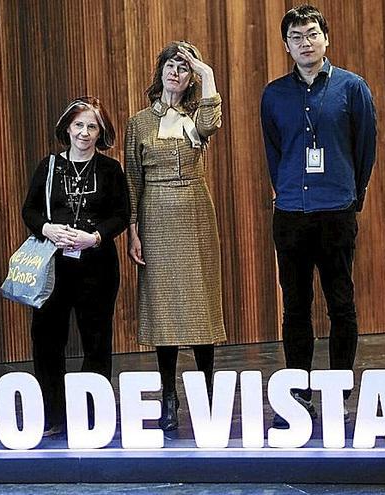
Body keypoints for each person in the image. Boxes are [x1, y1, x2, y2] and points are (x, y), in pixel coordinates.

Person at [260, 5, 377, 426]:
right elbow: (275, 152)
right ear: (287, 45)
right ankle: (298, 393)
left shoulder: (352, 87)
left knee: (341, 304)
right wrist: (288, 189)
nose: (305, 43)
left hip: (336, 212)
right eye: (296, 37)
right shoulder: (274, 94)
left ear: (326, 38)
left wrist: (352, 195)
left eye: (311, 34)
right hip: (291, 212)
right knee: (295, 307)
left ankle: (341, 391)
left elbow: (365, 149)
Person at [125, 41, 226, 431]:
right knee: (164, 310)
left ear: (191, 78)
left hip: (196, 214)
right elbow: (133, 179)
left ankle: (209, 395)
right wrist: (134, 232)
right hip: (157, 216)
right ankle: (169, 395)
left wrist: (208, 74)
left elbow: (211, 123)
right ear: (160, 71)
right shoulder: (140, 122)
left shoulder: (196, 115)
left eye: (184, 68)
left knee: (200, 305)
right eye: (171, 65)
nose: (175, 72)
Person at [22, 96, 130, 437]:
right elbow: (30, 210)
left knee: (96, 340)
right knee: (47, 339)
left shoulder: (110, 169)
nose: (84, 132)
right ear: (67, 128)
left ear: (101, 132)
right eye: (79, 125)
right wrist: (47, 228)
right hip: (53, 267)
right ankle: (52, 414)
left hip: (97, 267)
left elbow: (122, 215)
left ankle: (90, 414)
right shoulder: (49, 165)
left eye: (92, 126)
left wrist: (95, 237)